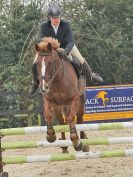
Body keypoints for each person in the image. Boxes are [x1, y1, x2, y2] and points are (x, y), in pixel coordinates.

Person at [29, 4, 103, 95]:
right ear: (49, 18)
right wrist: (51, 49)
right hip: (50, 49)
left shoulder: (66, 24)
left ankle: (90, 75)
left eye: (58, 17)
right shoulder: (44, 26)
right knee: (35, 62)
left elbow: (70, 41)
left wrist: (66, 51)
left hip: (66, 46)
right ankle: (35, 82)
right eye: (54, 18)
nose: (57, 20)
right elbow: (42, 40)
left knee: (80, 59)